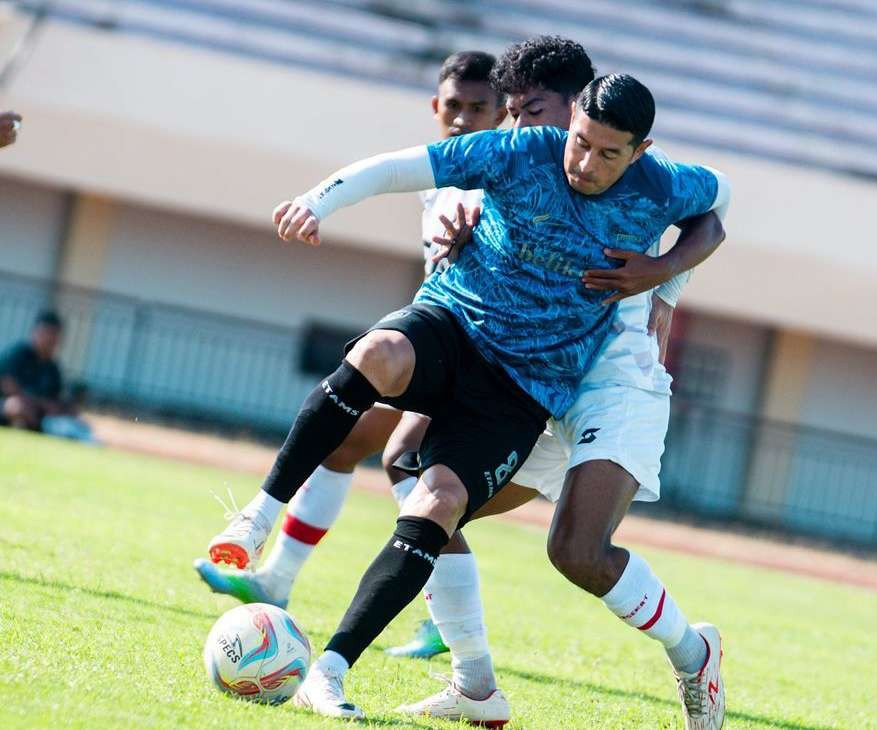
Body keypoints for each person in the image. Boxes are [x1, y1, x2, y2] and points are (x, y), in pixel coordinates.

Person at [205, 72, 728, 724]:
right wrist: (319, 201)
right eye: (579, 144)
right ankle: (257, 518)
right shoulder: (521, 152)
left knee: (458, 508)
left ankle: (340, 670)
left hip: (533, 385)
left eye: (607, 154)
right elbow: (400, 166)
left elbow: (717, 204)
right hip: (454, 325)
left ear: (641, 152)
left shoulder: (663, 186)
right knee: (376, 363)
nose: (585, 164)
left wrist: (662, 275)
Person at [193, 50, 505, 621]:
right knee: (357, 448)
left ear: (502, 113)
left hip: (482, 360)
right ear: (435, 107)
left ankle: (446, 622)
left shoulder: (499, 179)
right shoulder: (438, 174)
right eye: (453, 106)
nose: (462, 119)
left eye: (477, 108)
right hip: (442, 344)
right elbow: (384, 172)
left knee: (409, 466)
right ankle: (280, 581)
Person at [0, 311, 84, 434]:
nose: (50, 339)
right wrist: (38, 403)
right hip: (9, 405)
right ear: (36, 332)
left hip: (37, 411)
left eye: (55, 335)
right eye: (47, 333)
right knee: (15, 406)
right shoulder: (18, 353)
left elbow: (55, 399)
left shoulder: (53, 368)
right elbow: (9, 386)